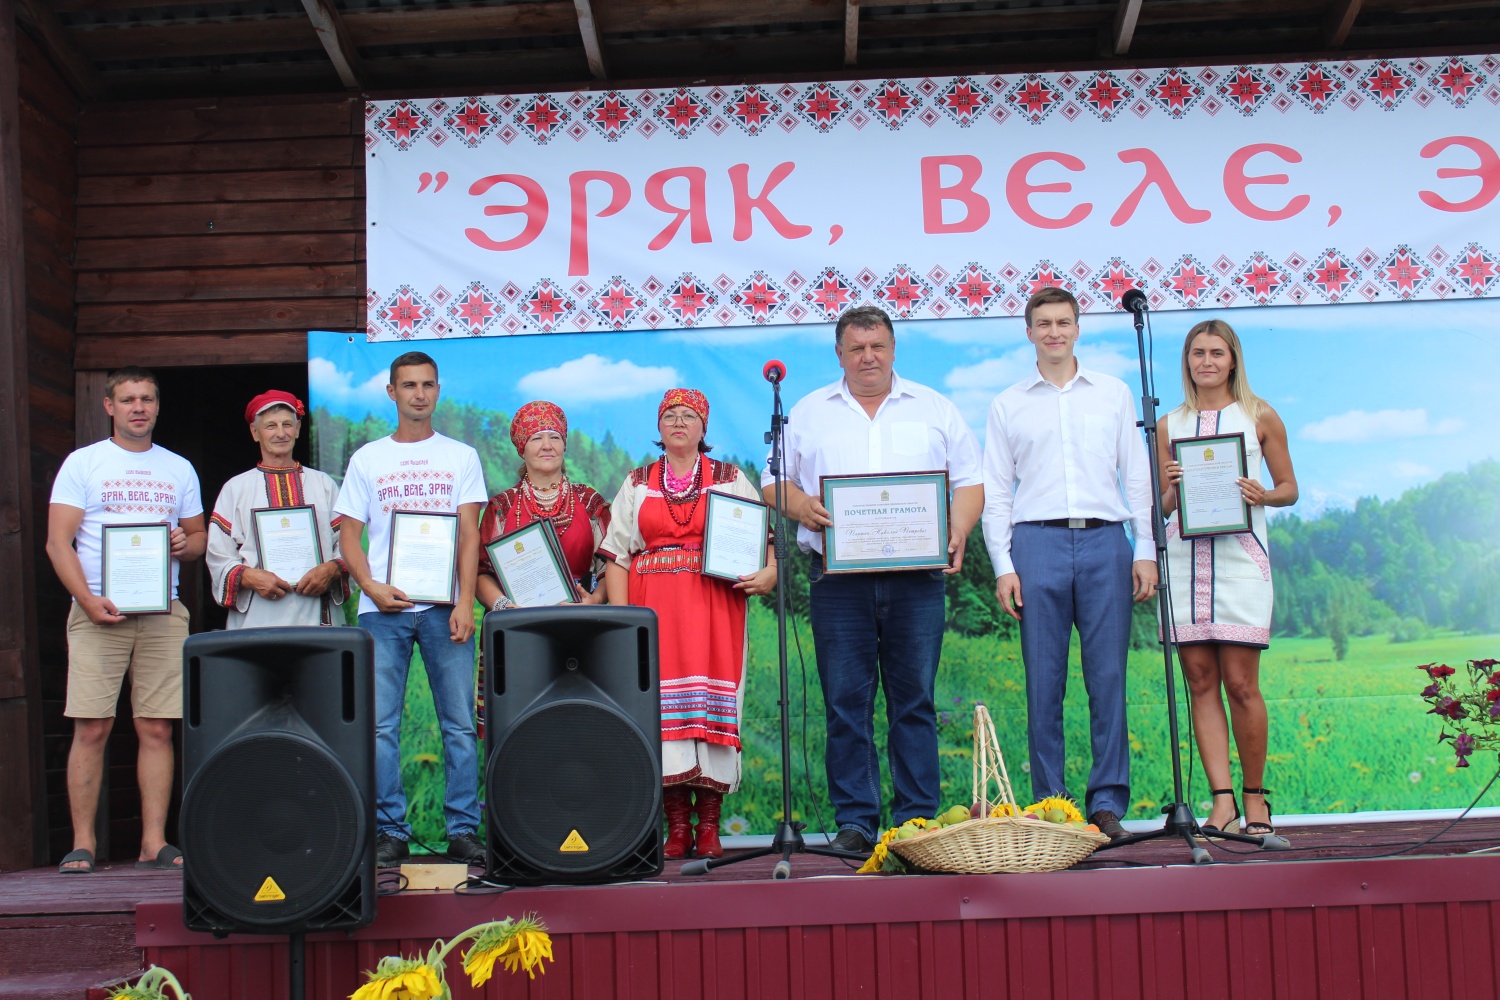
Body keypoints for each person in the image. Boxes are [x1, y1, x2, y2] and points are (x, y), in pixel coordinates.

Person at [767, 306, 983, 855]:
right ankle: (857, 822)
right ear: (839, 353)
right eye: (857, 348)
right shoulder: (809, 411)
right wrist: (803, 507)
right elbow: (774, 481)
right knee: (846, 704)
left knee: (915, 702)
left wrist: (958, 528)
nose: (868, 357)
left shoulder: (934, 407)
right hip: (838, 582)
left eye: (878, 346)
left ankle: (917, 822)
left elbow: (970, 480)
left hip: (916, 580)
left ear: (893, 349)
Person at [980, 287, 1157, 841]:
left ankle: (1107, 805)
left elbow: (1136, 476)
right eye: (1044, 323)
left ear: (1078, 328)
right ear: (1029, 332)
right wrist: (1003, 564)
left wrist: (1145, 548)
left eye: (1063, 322)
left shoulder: (1113, 394)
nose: (1054, 332)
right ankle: (1052, 807)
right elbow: (996, 491)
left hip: (1106, 542)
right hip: (1037, 545)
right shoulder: (1008, 404)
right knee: (1043, 682)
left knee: (1108, 679)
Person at [601, 389, 776, 859]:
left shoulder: (730, 478)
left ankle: (710, 827)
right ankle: (677, 826)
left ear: (704, 428)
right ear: (658, 428)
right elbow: (617, 555)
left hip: (715, 607)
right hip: (653, 610)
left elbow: (763, 538)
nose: (679, 423)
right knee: (660, 712)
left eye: (689, 416)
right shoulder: (638, 482)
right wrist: (624, 620)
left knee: (711, 710)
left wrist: (771, 571)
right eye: (670, 416)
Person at [46, 367, 206, 873]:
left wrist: (184, 544)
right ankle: (83, 844)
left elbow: (198, 539)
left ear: (157, 406)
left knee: (157, 728)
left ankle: (153, 843)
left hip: (162, 612)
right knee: (92, 726)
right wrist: (87, 600)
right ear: (109, 406)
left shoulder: (178, 468)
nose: (139, 407)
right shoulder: (84, 463)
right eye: (129, 399)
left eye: (147, 399)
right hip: (98, 612)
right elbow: (58, 542)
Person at [335, 352, 488, 867]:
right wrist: (370, 586)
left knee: (459, 725)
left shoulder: (461, 456)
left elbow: (469, 534)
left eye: (427, 385)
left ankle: (462, 829)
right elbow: (349, 537)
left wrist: (464, 601)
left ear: (438, 390)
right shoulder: (368, 458)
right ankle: (390, 831)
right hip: (382, 610)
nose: (418, 394)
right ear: (392, 392)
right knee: (381, 726)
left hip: (445, 609)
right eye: (408, 385)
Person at [1158, 319, 1297, 838]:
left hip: (1241, 561)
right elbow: (1161, 507)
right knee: (1200, 681)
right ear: (1187, 361)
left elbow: (1289, 487)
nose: (1207, 362)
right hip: (1184, 561)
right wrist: (1171, 488)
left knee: (1241, 683)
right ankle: (1222, 803)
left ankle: (1255, 797)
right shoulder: (1169, 425)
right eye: (1198, 353)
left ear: (1233, 359)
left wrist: (1264, 494)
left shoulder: (1259, 414)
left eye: (1217, 352)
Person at [474, 400, 612, 733]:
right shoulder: (501, 507)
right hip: (519, 627)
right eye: (536, 438)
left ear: (565, 445)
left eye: (554, 437)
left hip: (579, 625)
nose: (547, 445)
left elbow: (612, 563)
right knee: (520, 729)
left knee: (579, 726)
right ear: (522, 448)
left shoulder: (589, 502)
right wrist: (504, 607)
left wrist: (596, 600)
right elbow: (480, 572)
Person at [206, 390, 348, 628]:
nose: (281, 433)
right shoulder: (236, 488)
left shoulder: (323, 484)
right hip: (256, 620)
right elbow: (218, 553)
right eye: (271, 426)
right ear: (255, 432)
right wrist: (249, 577)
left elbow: (348, 543)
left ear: (298, 429)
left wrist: (332, 569)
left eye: (287, 424)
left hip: (317, 617)